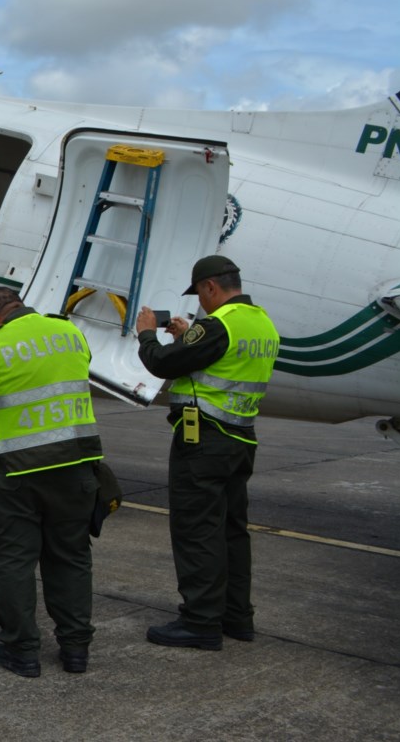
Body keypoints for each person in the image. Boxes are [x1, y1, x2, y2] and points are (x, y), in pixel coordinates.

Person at [0, 287, 103, 678]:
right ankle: (75, 650)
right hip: (75, 465)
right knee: (70, 557)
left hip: (18, 472)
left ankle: (22, 650)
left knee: (12, 561)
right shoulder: (70, 333)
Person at [135, 254, 279, 650]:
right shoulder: (261, 322)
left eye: (200, 294)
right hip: (240, 439)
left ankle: (200, 621)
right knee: (232, 531)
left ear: (211, 287)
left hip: (204, 442)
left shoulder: (218, 325)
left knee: (198, 530)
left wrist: (148, 333)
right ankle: (237, 617)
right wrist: (188, 337)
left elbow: (161, 363)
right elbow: (220, 367)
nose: (200, 303)